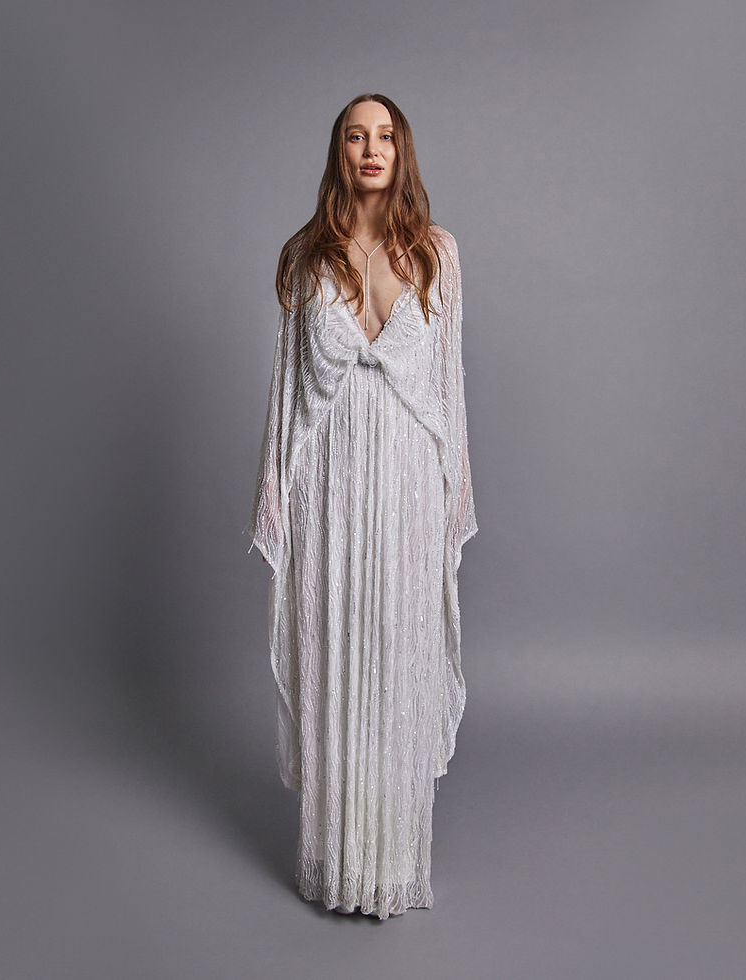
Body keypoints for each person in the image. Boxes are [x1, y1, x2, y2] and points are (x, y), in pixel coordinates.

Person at [246, 93, 477, 919]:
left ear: (401, 150)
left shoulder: (439, 253)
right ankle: (337, 862)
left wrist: (454, 491)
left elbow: (449, 387)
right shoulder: (306, 256)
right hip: (331, 483)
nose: (371, 149)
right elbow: (285, 392)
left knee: (397, 655)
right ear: (338, 151)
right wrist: (275, 491)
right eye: (356, 135)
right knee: (337, 653)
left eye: (385, 136)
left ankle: (392, 860)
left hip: (407, 479)